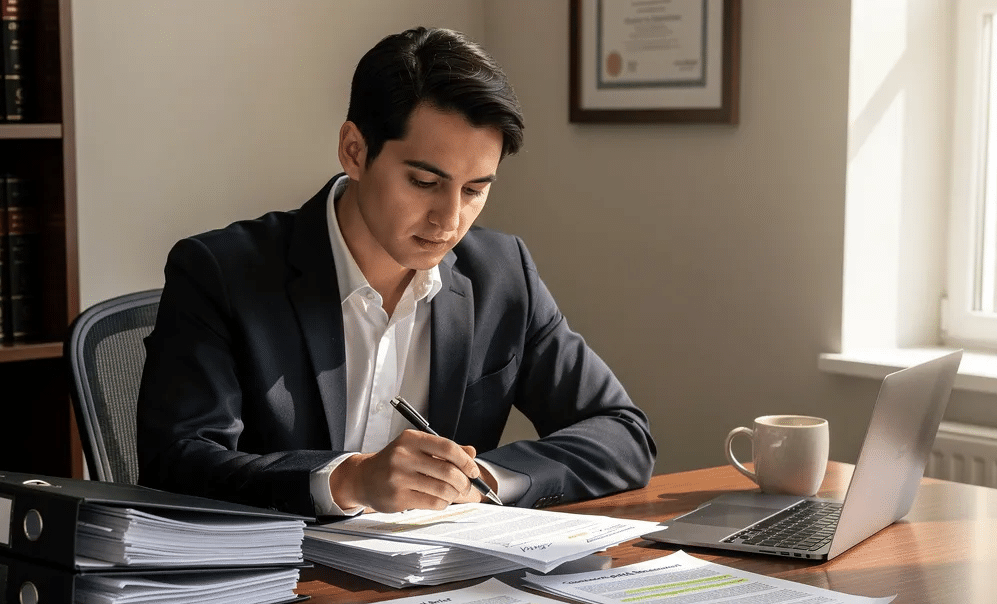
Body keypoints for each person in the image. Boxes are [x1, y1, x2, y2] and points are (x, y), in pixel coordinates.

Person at [136, 27, 655, 518]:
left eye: (475, 190)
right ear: (354, 151)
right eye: (425, 182)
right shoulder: (219, 272)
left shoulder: (502, 274)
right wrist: (348, 480)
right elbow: (178, 464)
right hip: (272, 586)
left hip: (436, 589)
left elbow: (623, 434)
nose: (450, 221)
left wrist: (484, 480)